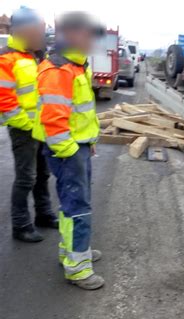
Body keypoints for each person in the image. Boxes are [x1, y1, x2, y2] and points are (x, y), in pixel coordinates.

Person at [33, 12, 105, 290]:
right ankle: (77, 268)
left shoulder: (77, 66)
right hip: (68, 151)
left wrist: (89, 141)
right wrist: (71, 151)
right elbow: (54, 121)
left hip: (78, 147)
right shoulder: (60, 70)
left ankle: (73, 253)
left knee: (72, 205)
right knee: (78, 207)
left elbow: (81, 114)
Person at [0, 7, 57, 243]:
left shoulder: (37, 55)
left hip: (40, 127)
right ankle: (21, 225)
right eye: (38, 31)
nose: (42, 36)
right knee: (26, 177)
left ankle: (43, 214)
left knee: (43, 174)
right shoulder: (7, 57)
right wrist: (26, 125)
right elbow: (5, 100)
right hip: (24, 129)